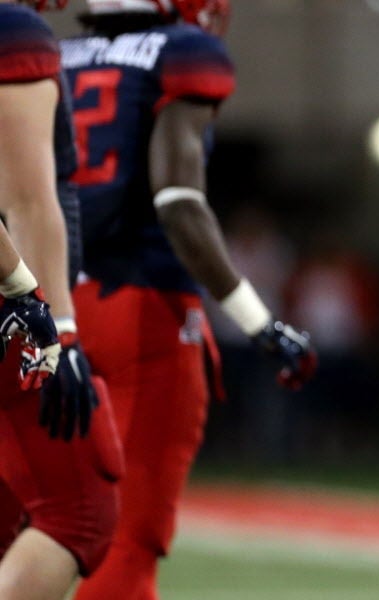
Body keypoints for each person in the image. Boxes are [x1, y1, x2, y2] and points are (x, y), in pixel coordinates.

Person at [60, 1, 318, 598]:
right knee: (130, 536)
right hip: (141, 311)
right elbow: (177, 200)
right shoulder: (183, 51)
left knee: (49, 522)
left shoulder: (52, 55)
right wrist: (260, 323)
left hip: (51, 310)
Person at [0, 1, 123, 599]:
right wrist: (53, 319)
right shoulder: (12, 32)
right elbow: (24, 199)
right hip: (10, 313)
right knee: (79, 512)